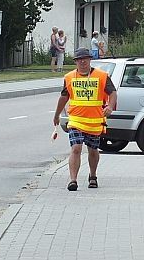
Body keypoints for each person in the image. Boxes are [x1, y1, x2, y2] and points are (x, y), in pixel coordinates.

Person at [53, 48, 117, 191]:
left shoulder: (102, 76)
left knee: (93, 150)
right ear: (75, 62)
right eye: (79, 59)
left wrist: (110, 106)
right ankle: (73, 180)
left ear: (89, 60)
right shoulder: (69, 77)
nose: (82, 61)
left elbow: (112, 92)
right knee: (76, 148)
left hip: (95, 121)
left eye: (85, 59)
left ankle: (92, 176)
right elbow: (64, 97)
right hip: (76, 120)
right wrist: (57, 114)